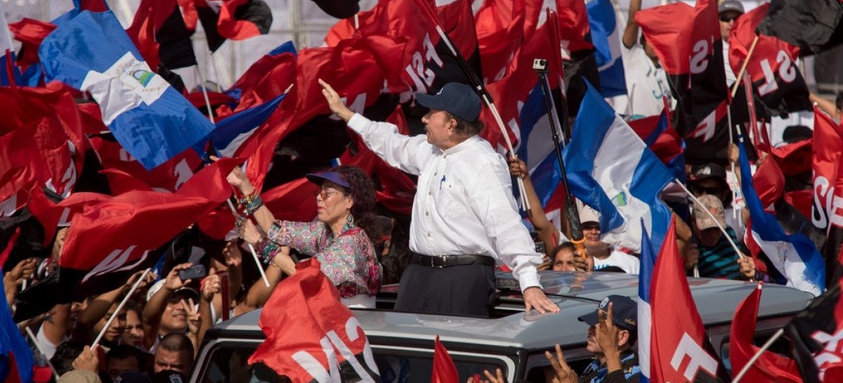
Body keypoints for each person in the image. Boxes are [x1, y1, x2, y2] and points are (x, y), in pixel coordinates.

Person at [319, 79, 557, 317]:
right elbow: (392, 143)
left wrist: (530, 282)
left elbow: (505, 224)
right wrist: (347, 114)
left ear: (451, 125)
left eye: (432, 113)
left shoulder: (483, 163)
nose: (424, 118)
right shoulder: (430, 150)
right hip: (418, 273)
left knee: (453, 351)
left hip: (462, 277)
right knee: (408, 350)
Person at [227, 164, 383, 308]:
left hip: (354, 327)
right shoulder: (325, 232)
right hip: (336, 323)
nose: (319, 197)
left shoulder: (352, 240)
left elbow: (307, 276)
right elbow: (276, 230)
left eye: (327, 193)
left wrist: (259, 243)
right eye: (318, 192)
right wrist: (245, 185)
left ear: (349, 200)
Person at [547, 295, 640, 383]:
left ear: (622, 337)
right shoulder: (596, 364)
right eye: (592, 325)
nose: (589, 331)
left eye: (600, 327)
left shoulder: (636, 376)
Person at [619, 0, 671, 118]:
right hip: (635, 133)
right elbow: (633, 21)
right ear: (642, 41)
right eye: (651, 38)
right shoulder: (633, 55)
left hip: (659, 137)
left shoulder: (670, 73)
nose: (656, 43)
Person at [685, 194, 748, 280]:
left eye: (717, 228)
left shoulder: (728, 233)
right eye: (707, 229)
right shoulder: (688, 248)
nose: (713, 235)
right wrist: (685, 266)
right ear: (693, 222)